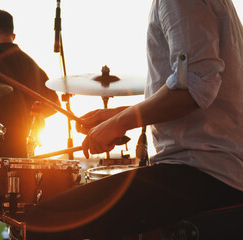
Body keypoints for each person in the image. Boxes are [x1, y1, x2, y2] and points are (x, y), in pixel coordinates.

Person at [24, 0, 243, 239]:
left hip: (200, 171)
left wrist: (118, 123)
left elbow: (193, 89)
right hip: (215, 171)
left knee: (46, 220)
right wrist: (115, 116)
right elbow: (196, 94)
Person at [0, 9, 60, 240]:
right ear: (13, 36)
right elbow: (52, 104)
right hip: (22, 163)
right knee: (21, 227)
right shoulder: (33, 67)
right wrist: (33, 116)